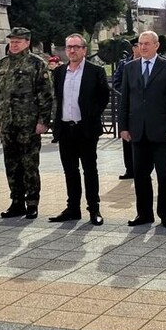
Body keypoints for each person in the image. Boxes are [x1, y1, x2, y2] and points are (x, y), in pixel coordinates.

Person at [118, 31, 166, 228]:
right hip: (137, 131)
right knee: (140, 175)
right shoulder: (130, 68)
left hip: (162, 132)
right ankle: (144, 214)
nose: (143, 47)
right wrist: (123, 127)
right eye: (140, 43)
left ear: (156, 45)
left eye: (147, 43)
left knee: (164, 175)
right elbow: (124, 99)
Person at [0, 27, 54, 220]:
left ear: (27, 42)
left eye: (18, 41)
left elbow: (46, 95)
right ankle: (16, 202)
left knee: (29, 165)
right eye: (12, 41)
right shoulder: (2, 64)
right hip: (8, 124)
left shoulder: (37, 64)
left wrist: (43, 121)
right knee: (11, 165)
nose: (14, 44)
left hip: (28, 125)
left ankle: (32, 203)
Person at [49, 34, 111, 225]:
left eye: (76, 47)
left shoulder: (95, 71)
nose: (72, 51)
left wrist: (91, 115)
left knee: (90, 170)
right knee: (70, 171)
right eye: (69, 47)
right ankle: (73, 208)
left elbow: (103, 97)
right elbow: (56, 98)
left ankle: (94, 209)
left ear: (84, 49)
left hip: (86, 130)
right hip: (65, 129)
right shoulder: (60, 72)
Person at [111, 40, 140, 179]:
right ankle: (129, 169)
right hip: (127, 106)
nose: (140, 48)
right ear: (133, 48)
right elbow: (116, 82)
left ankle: (142, 169)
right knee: (127, 139)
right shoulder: (124, 64)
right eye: (138, 45)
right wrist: (127, 94)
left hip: (143, 107)